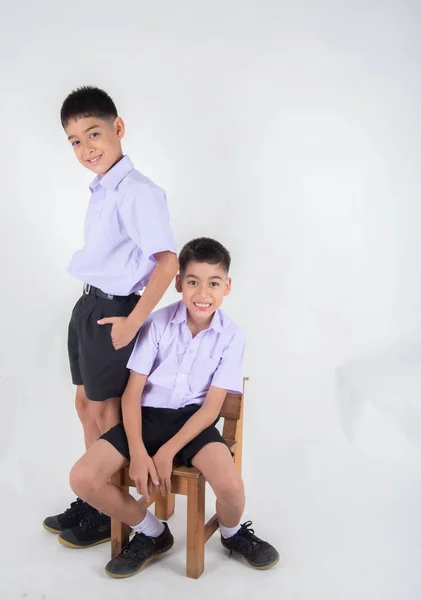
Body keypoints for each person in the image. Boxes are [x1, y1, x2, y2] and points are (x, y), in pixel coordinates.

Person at [65, 237, 279, 577]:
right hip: (146, 419)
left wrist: (167, 452)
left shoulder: (231, 336)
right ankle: (152, 533)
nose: (202, 292)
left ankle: (232, 533)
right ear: (178, 282)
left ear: (227, 286)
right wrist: (137, 451)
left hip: (193, 424)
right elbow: (132, 394)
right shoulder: (158, 323)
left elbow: (211, 409)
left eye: (213, 283)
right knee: (82, 477)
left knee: (232, 487)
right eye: (192, 281)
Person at [43, 86, 178, 546]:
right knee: (85, 406)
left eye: (94, 133)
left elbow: (167, 263)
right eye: (75, 141)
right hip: (88, 303)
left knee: (106, 414)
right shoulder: (102, 189)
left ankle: (120, 513)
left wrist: (133, 321)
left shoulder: (138, 192)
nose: (85, 148)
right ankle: (97, 499)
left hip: (115, 311)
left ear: (118, 129)